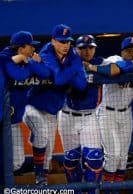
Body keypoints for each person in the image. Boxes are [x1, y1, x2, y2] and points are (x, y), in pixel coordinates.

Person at [23, 24, 87, 185]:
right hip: (33, 105)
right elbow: (58, 80)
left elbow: (82, 84)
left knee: (48, 153)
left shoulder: (72, 54)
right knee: (42, 134)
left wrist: (67, 71)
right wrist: (74, 69)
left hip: (53, 110)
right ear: (53, 41)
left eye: (67, 41)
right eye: (61, 41)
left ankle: (42, 179)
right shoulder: (46, 52)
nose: (65, 45)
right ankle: (38, 174)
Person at [94, 37, 133, 186]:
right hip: (107, 113)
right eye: (128, 50)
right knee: (113, 155)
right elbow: (104, 67)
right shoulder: (112, 59)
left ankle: (115, 189)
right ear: (121, 52)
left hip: (126, 114)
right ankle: (106, 189)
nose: (132, 53)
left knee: (123, 157)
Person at [57, 34, 104, 193]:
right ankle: (75, 190)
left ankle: (91, 191)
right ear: (75, 49)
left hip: (90, 117)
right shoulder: (66, 64)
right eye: (83, 48)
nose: (87, 51)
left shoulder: (100, 63)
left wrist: (92, 68)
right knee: (71, 158)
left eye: (90, 47)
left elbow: (122, 66)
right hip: (67, 116)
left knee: (95, 157)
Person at [0, 31, 50, 173]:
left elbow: (46, 72)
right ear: (20, 48)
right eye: (30, 46)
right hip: (2, 121)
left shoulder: (28, 58)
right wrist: (29, 64)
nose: (33, 49)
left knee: (16, 162)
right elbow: (18, 74)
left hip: (14, 123)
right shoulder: (3, 58)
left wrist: (31, 62)